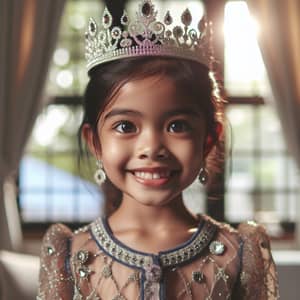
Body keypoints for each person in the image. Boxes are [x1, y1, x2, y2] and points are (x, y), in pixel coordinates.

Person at [37, 1, 279, 299]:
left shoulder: (239, 254)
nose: (152, 148)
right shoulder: (70, 256)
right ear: (95, 143)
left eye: (177, 126)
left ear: (209, 139)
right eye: (126, 126)